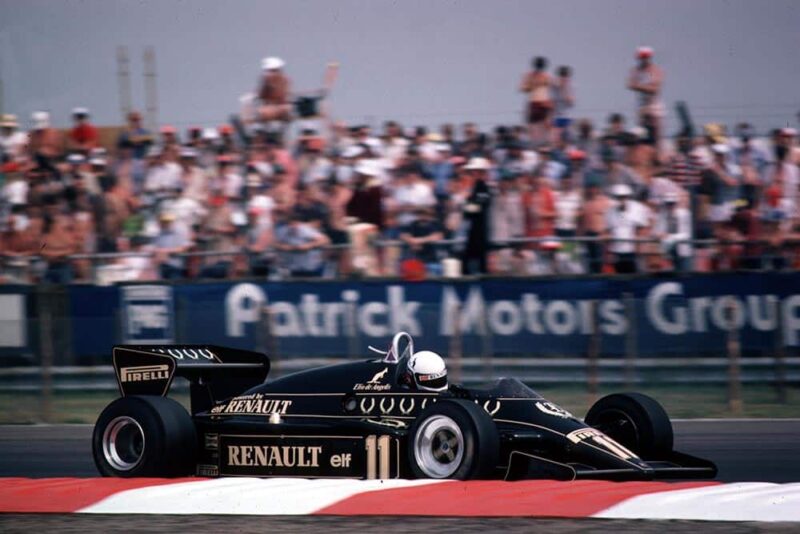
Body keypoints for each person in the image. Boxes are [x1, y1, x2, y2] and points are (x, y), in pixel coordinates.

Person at [606, 184, 649, 274]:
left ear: (628, 197)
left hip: (633, 252)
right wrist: (609, 251)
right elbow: (608, 232)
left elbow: (641, 230)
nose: (621, 199)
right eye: (618, 197)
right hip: (617, 251)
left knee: (635, 277)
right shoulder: (609, 212)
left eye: (623, 197)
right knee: (620, 277)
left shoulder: (638, 209)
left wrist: (639, 250)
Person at [461, 157, 492, 274]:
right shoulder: (475, 187)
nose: (472, 173)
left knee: (480, 261)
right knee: (468, 259)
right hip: (473, 228)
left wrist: (467, 207)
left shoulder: (483, 187)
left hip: (480, 229)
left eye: (475, 171)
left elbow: (479, 207)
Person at [627, 47, 664, 145]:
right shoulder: (636, 70)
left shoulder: (655, 70)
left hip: (654, 105)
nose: (643, 59)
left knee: (656, 134)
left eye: (645, 57)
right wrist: (646, 87)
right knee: (641, 133)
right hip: (641, 105)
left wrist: (638, 86)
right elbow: (629, 84)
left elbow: (655, 89)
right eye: (641, 57)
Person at [653, 192, 692, 272]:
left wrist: (670, 237)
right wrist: (659, 235)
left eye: (672, 203)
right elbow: (655, 232)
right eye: (668, 204)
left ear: (676, 203)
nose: (670, 206)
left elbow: (687, 234)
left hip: (682, 252)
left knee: (685, 275)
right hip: (668, 253)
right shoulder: (662, 216)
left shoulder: (685, 214)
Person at [520, 56, 553, 146]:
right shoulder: (529, 76)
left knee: (546, 125)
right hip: (534, 101)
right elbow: (522, 88)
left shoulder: (547, 76)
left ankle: (548, 143)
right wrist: (533, 84)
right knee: (532, 125)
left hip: (544, 101)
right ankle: (534, 143)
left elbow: (552, 87)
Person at [257, 56, 291, 123]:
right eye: (269, 71)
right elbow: (261, 96)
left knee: (266, 112)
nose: (270, 74)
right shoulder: (266, 80)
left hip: (281, 106)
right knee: (262, 111)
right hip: (269, 107)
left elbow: (282, 96)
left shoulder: (284, 80)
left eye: (272, 71)